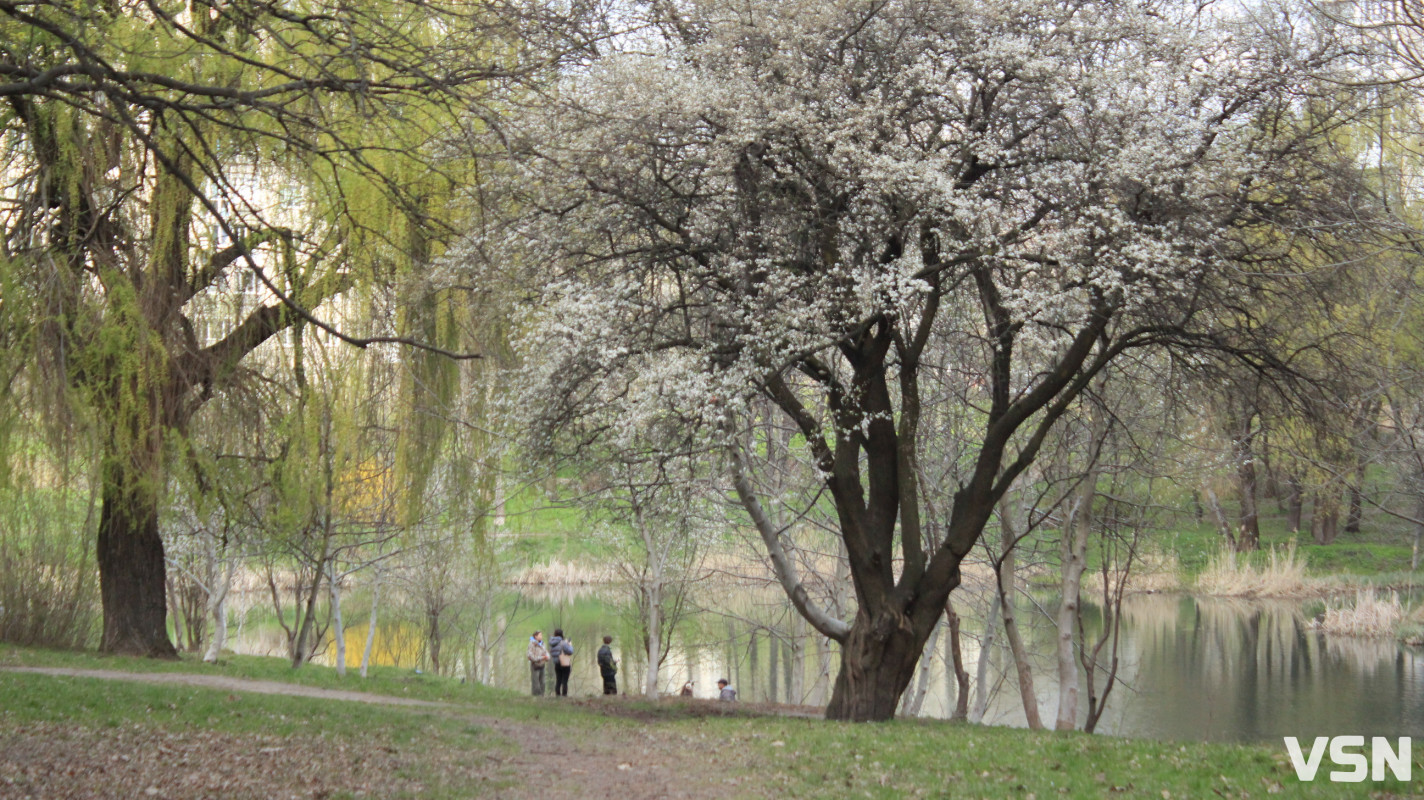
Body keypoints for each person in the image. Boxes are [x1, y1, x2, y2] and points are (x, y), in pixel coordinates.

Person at [548, 628, 574, 696]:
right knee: (565, 680)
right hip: (564, 663)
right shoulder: (563, 643)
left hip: (556, 663)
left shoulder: (552, 643)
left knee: (558, 679)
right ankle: (564, 695)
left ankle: (557, 694)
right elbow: (570, 651)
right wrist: (570, 645)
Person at [526, 630, 550, 696]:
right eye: (540, 635)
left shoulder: (543, 644)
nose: (541, 636)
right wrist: (541, 658)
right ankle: (536, 696)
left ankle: (542, 695)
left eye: (541, 635)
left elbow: (546, 652)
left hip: (542, 665)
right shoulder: (531, 644)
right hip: (535, 665)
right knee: (536, 682)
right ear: (535, 636)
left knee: (543, 682)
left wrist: (547, 657)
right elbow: (530, 656)